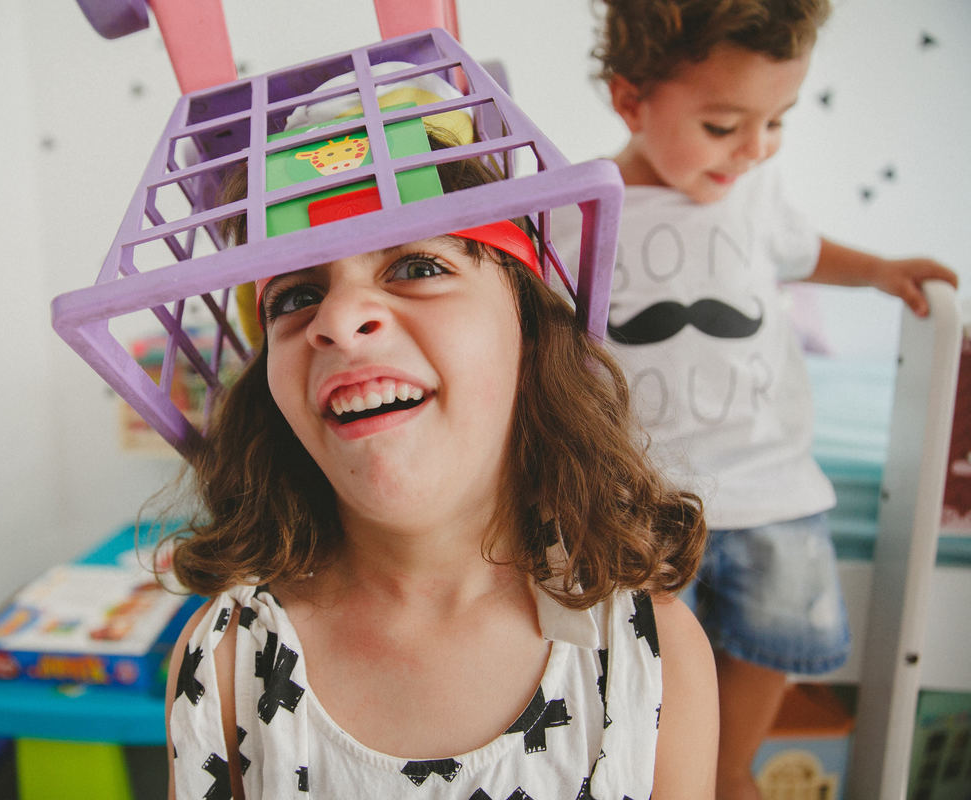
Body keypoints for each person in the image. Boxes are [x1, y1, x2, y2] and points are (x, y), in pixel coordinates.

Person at [158, 139, 719, 798]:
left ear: (530, 331)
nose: (337, 319)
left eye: (418, 265)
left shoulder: (649, 657)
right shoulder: (228, 659)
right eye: (294, 296)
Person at [561, 2, 961, 797]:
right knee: (640, 648)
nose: (755, 148)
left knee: (781, 635)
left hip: (772, 482)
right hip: (641, 491)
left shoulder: (757, 193)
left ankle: (733, 765)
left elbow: (806, 253)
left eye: (778, 120)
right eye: (723, 126)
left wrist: (881, 270)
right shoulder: (582, 212)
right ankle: (670, 773)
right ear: (631, 100)